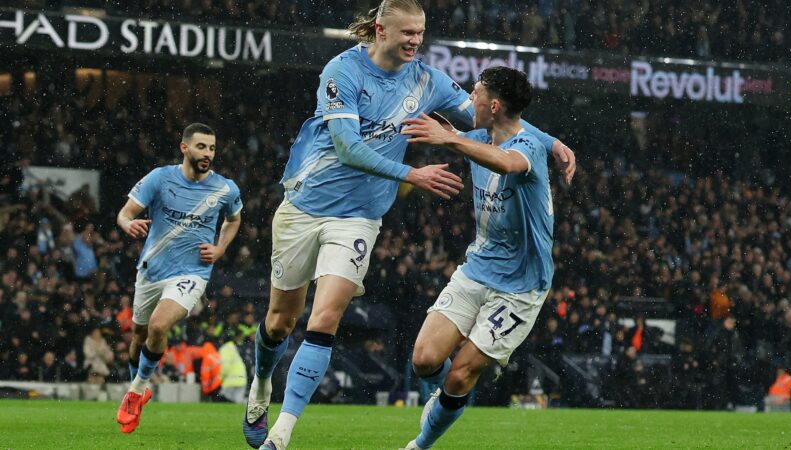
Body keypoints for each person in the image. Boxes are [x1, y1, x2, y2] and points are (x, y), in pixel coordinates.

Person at [243, 2, 576, 449]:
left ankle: (281, 434)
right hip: (306, 204)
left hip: (360, 216)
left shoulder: (428, 79)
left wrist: (550, 141)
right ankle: (262, 385)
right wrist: (414, 174)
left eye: (421, 32)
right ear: (381, 29)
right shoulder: (342, 72)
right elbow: (346, 148)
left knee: (325, 317)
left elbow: (500, 118)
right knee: (281, 321)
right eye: (408, 33)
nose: (417, 41)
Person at [397, 66, 561, 449]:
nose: (471, 99)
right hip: (477, 270)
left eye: (476, 94)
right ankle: (439, 401)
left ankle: (420, 444)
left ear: (495, 105)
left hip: (520, 288)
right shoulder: (479, 136)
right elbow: (469, 142)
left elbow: (505, 163)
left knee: (460, 376)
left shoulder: (527, 148)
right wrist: (445, 135)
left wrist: (450, 140)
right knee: (423, 359)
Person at [115, 123, 242, 433]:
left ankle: (135, 390)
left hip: (191, 273)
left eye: (212, 148)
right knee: (140, 336)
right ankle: (138, 384)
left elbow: (234, 219)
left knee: (159, 326)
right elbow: (124, 213)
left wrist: (221, 248)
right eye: (201, 147)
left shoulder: (225, 188)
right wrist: (126, 224)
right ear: (184, 147)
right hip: (151, 270)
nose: (208, 154)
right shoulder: (160, 178)